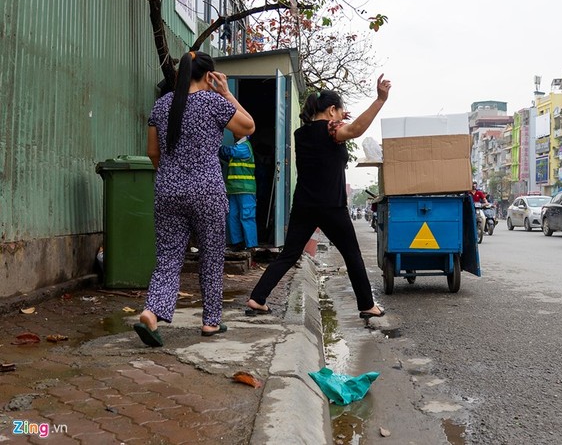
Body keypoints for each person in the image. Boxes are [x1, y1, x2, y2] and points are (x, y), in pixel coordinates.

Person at [135, 51, 256, 347]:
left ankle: (153, 312)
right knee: (211, 257)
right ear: (209, 75)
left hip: (168, 190)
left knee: (168, 257)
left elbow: (153, 153)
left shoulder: (162, 106)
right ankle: (211, 322)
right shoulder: (214, 102)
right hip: (207, 191)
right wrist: (226, 92)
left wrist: (170, 177)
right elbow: (248, 126)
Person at [246, 76, 391, 319]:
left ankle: (257, 298)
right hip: (331, 206)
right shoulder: (332, 130)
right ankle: (367, 305)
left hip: (303, 204)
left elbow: (329, 133)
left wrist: (337, 119)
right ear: (332, 110)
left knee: (289, 254)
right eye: (340, 111)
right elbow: (354, 130)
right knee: (352, 255)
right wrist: (380, 100)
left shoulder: (301, 133)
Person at [219, 135, 258, 251]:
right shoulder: (239, 147)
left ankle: (251, 245)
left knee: (247, 216)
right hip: (234, 189)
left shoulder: (244, 147)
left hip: (246, 189)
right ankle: (237, 243)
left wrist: (215, 145)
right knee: (232, 216)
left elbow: (229, 151)